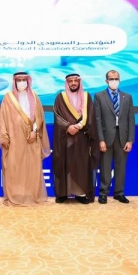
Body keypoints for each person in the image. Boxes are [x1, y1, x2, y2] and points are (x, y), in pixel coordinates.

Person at [0, 72, 50, 206]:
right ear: (14, 82)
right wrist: (4, 136)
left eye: (24, 80)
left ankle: (31, 195)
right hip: (14, 138)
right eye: (19, 80)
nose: (21, 82)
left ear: (28, 81)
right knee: (14, 166)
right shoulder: (8, 97)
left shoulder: (34, 96)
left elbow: (39, 116)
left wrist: (34, 131)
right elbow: (3, 119)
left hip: (31, 137)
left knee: (32, 166)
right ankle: (15, 196)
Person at [52, 73, 100, 204]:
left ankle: (81, 193)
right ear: (67, 83)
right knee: (65, 165)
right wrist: (67, 127)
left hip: (82, 138)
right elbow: (57, 116)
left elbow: (90, 116)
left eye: (75, 81)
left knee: (81, 166)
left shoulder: (86, 97)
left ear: (79, 83)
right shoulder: (60, 97)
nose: (73, 83)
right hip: (65, 138)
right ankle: (63, 193)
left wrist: (79, 126)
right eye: (71, 81)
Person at [94, 70, 135, 204]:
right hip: (106, 137)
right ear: (106, 81)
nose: (114, 81)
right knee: (105, 166)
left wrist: (130, 140)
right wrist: (100, 140)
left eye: (116, 79)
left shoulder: (127, 97)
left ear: (119, 80)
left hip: (122, 137)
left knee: (121, 166)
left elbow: (131, 120)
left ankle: (119, 193)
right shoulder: (99, 96)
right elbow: (97, 120)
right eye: (111, 79)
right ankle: (103, 193)